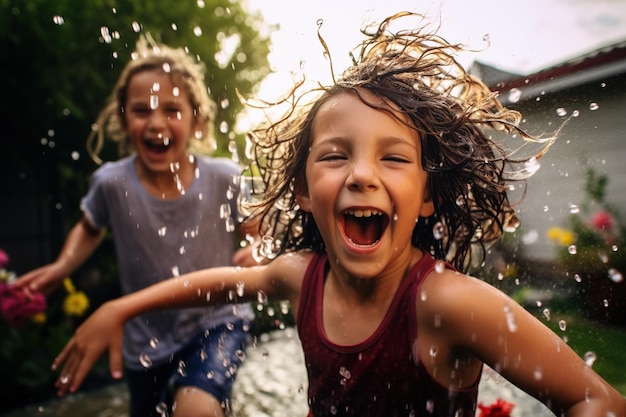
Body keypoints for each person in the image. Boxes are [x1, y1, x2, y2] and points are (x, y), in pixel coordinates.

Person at [50, 13, 626, 417]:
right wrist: (119, 309)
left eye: (393, 157)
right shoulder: (305, 278)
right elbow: (222, 283)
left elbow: (597, 398)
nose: (361, 174)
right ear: (303, 191)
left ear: (427, 195)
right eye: (335, 156)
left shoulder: (446, 303)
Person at [14, 35, 258, 417]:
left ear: (197, 119)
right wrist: (63, 266)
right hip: (145, 339)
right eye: (141, 110)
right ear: (123, 118)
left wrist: (258, 250)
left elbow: (259, 229)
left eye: (172, 110)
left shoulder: (223, 178)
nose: (156, 123)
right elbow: (90, 227)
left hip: (217, 322)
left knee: (195, 408)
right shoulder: (112, 183)